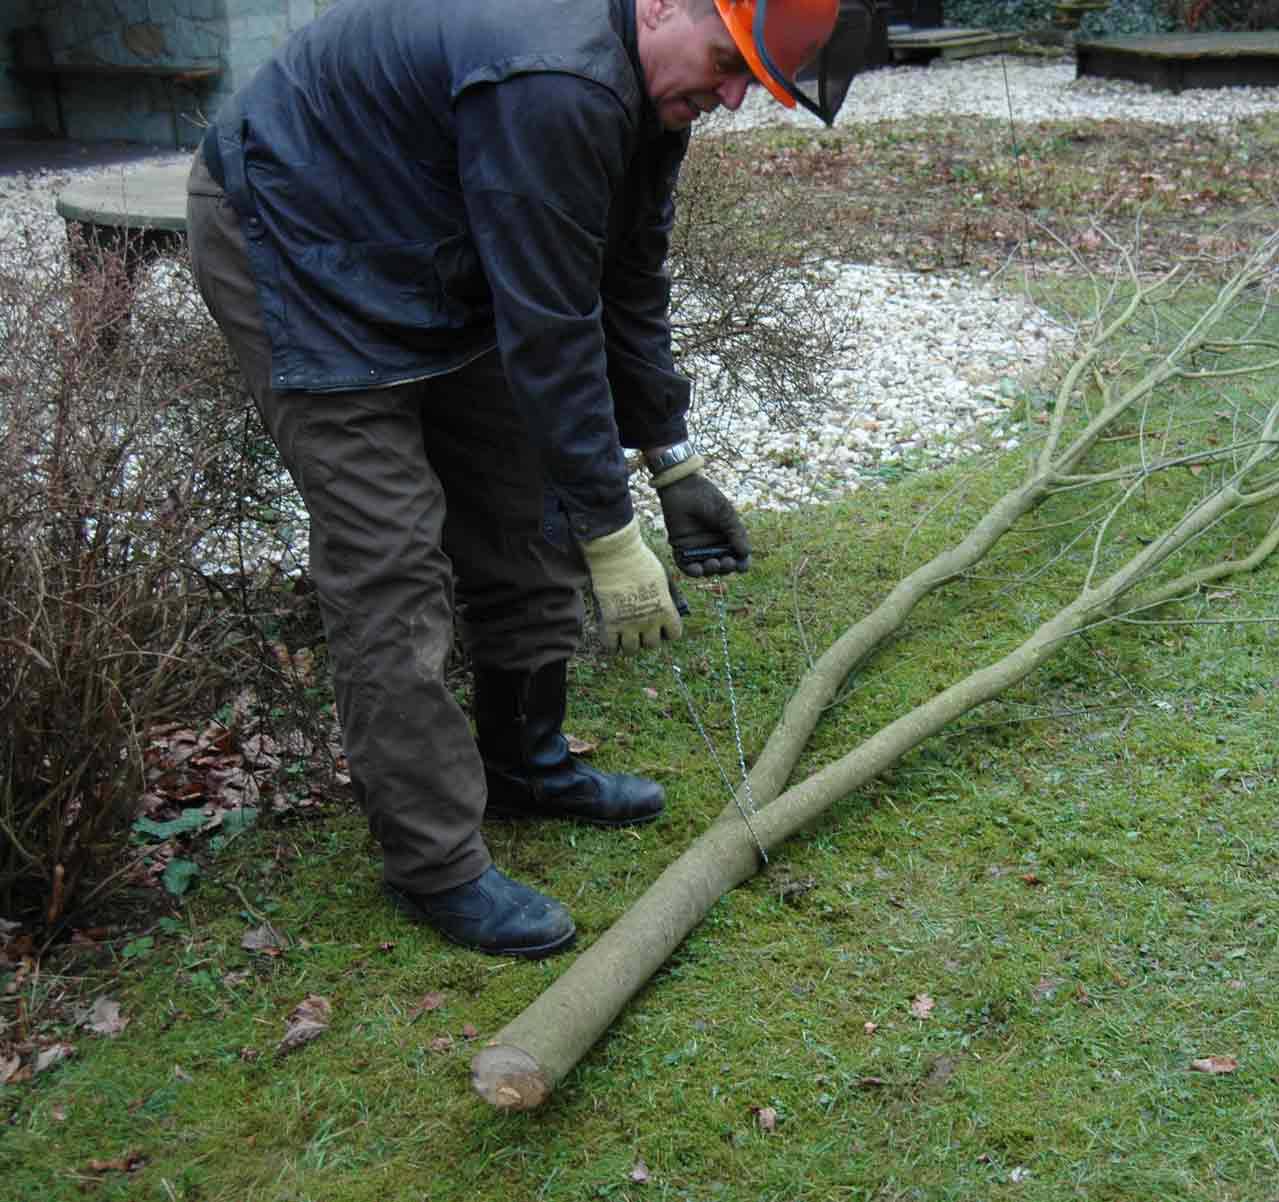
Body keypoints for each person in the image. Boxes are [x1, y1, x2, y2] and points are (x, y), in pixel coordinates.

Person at [185, 0, 869, 958]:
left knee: (518, 494)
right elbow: (551, 329)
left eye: (748, 80)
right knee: (390, 561)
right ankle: (436, 866)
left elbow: (625, 276)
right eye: (725, 64)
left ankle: (524, 763)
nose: (730, 98)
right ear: (664, 3)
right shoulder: (554, 78)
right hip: (300, 236)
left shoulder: (644, 90)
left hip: (429, 232)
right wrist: (613, 532)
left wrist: (673, 459)